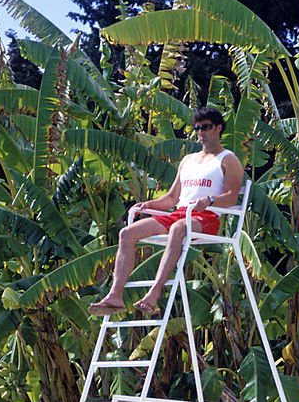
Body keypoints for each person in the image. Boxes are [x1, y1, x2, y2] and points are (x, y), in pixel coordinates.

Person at [88, 107, 245, 316]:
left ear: (218, 128)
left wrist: (210, 200)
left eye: (206, 127)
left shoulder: (228, 159)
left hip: (206, 218)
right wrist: (148, 205)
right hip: (180, 213)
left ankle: (154, 293)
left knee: (178, 228)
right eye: (197, 129)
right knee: (127, 233)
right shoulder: (188, 160)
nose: (201, 133)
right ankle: (115, 296)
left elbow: (232, 197)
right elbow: (171, 198)